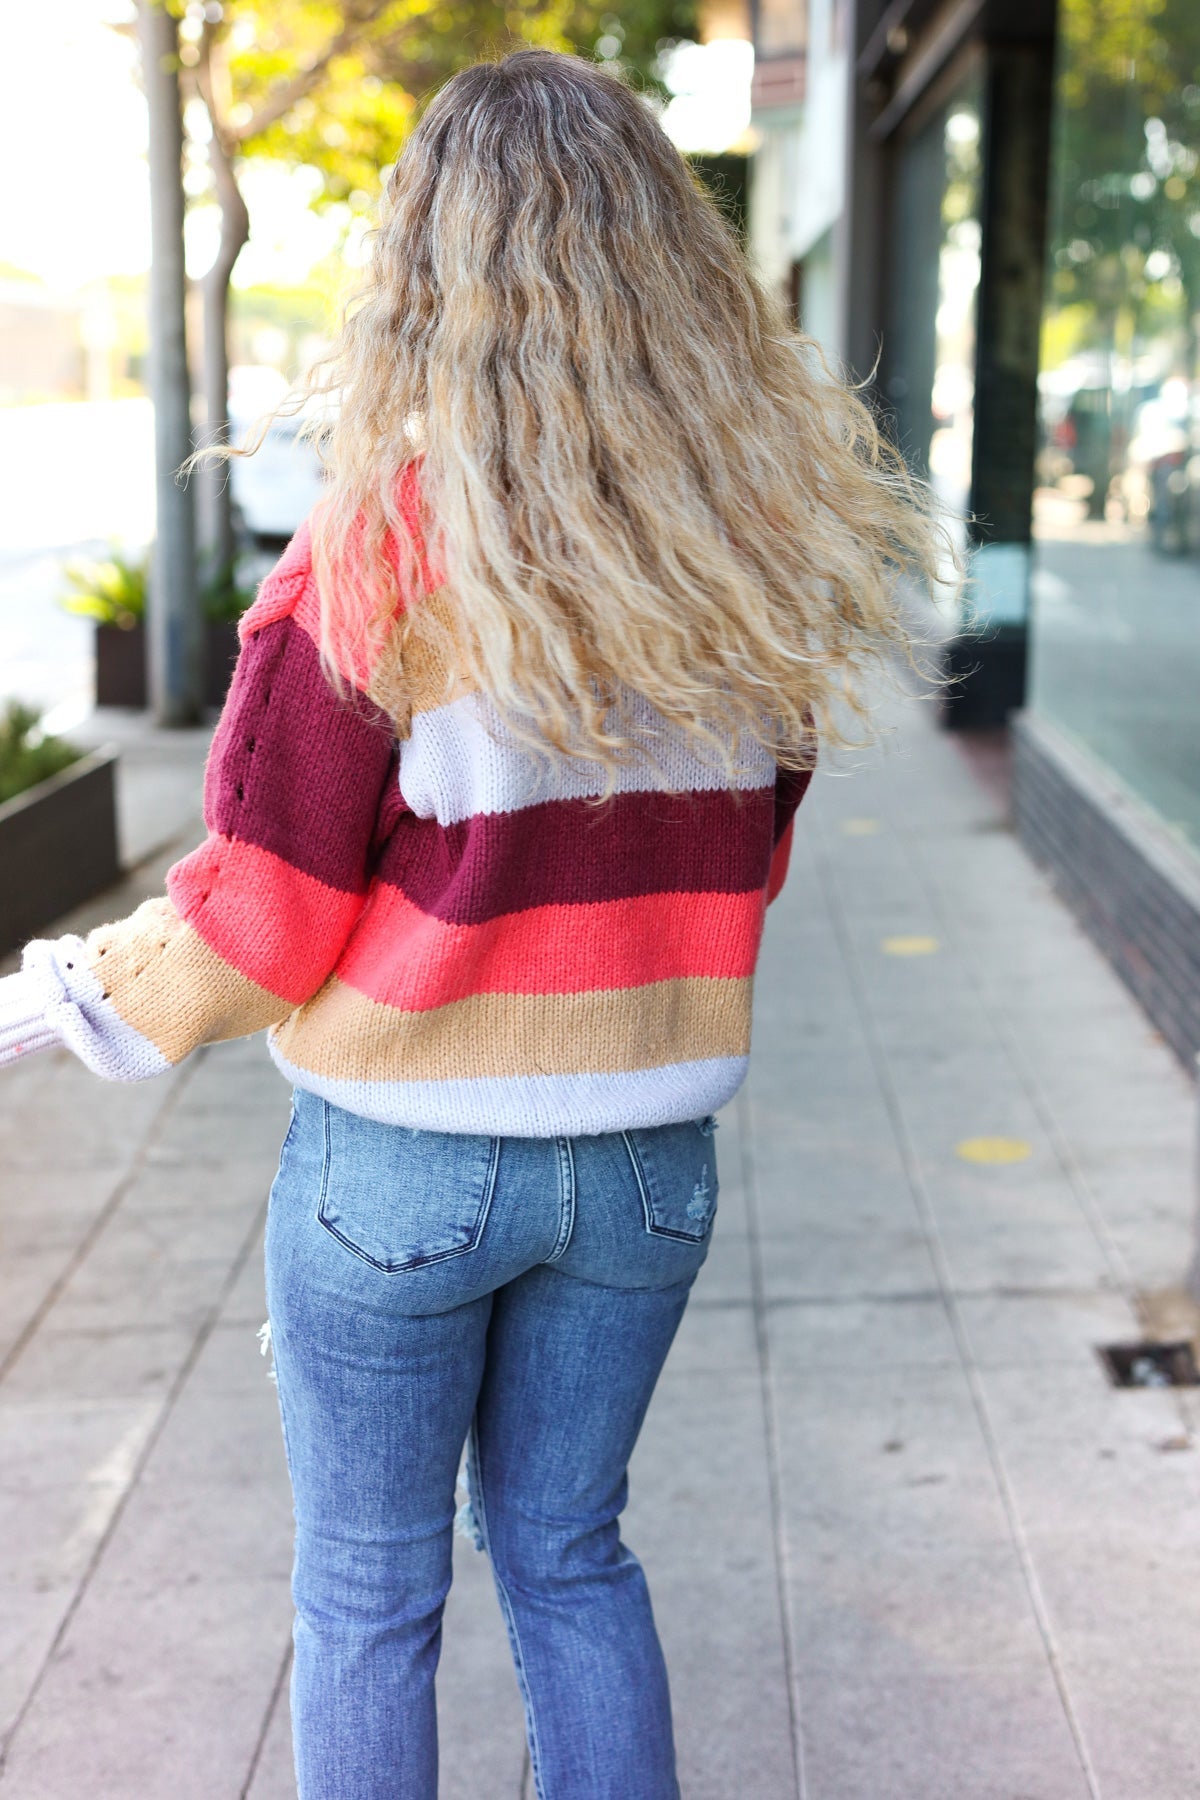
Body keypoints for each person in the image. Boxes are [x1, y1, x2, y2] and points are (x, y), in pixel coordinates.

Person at [0, 48, 953, 1800]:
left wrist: (52, 998)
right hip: (648, 1167)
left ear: (427, 271)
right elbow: (740, 867)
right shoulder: (742, 559)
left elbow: (259, 925)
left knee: (369, 1596)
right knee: (574, 1556)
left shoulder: (374, 557)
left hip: (399, 1171)